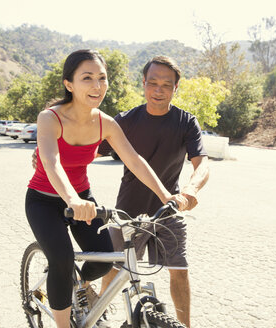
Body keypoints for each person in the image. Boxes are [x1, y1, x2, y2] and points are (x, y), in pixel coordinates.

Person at [25, 49, 186, 328]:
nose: (97, 86)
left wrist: (166, 196)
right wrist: (73, 199)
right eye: (87, 78)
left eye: (102, 78)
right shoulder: (49, 118)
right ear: (69, 84)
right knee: (62, 259)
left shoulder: (105, 123)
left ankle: (72, 286)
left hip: (82, 199)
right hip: (44, 201)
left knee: (103, 261)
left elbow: (135, 160)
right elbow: (51, 163)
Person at [97, 56, 210, 328]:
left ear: (175, 88)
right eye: (153, 83)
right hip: (128, 210)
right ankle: (97, 311)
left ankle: (185, 327)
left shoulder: (185, 122)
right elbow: (88, 147)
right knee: (113, 269)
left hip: (169, 208)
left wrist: (191, 189)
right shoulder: (125, 121)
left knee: (179, 272)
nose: (159, 90)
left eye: (166, 85)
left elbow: (202, 162)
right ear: (144, 84)